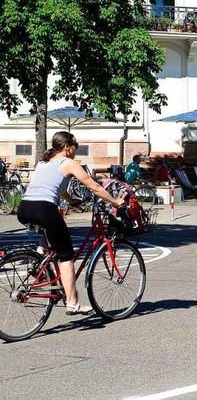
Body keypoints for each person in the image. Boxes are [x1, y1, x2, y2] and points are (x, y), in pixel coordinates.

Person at [16, 131, 125, 316]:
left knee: (50, 231)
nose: (77, 149)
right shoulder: (70, 163)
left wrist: (72, 200)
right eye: (76, 145)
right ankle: (72, 303)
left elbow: (51, 186)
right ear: (67, 147)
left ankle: (38, 261)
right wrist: (116, 202)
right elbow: (94, 186)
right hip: (44, 209)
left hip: (25, 208)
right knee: (66, 257)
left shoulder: (43, 163)